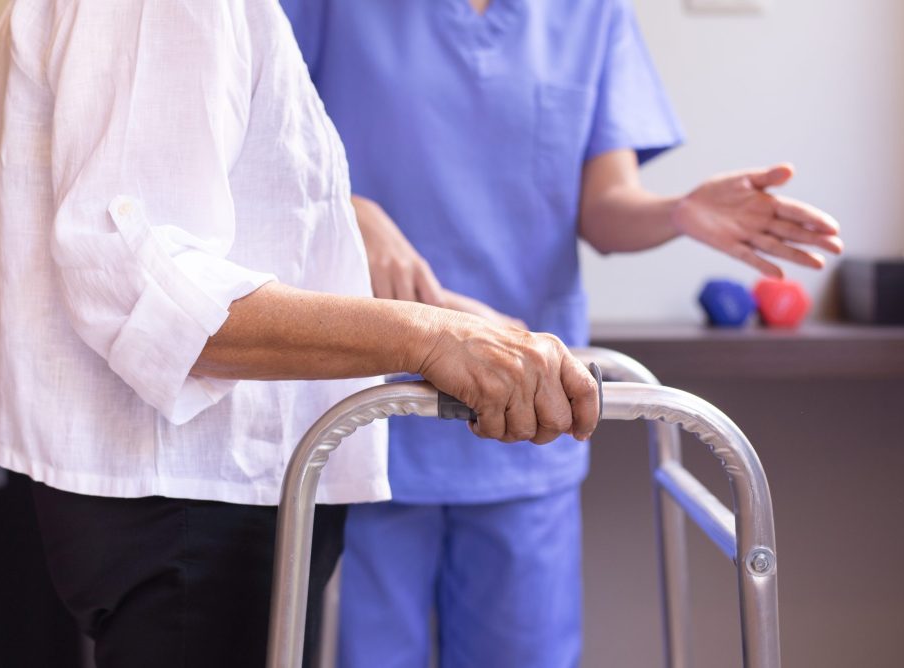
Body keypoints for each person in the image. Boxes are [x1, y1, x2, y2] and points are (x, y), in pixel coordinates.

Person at [0, 2, 601, 667]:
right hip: (192, 503)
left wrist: (430, 309)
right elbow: (145, 285)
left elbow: (213, 230)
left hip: (205, 498)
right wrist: (428, 336)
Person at [282, 1, 843, 666]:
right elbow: (269, 150)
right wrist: (351, 211)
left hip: (529, 414)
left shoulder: (591, 14)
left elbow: (604, 208)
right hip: (363, 416)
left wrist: (680, 212)